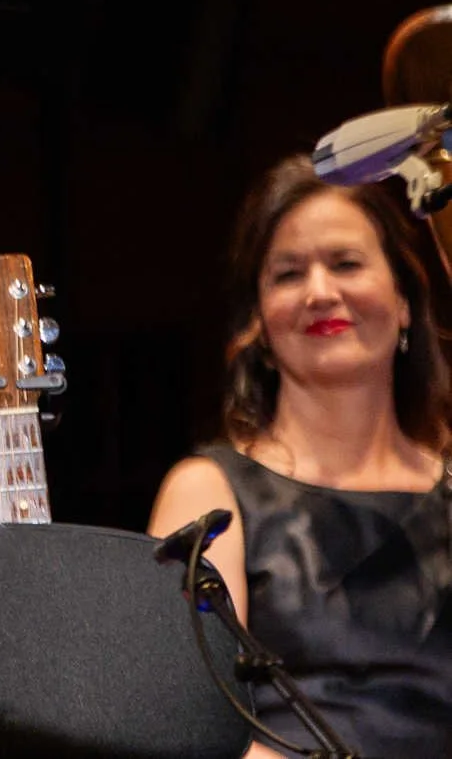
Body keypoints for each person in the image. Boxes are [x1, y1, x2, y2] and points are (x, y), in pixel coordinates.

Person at [149, 157, 452, 758]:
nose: (320, 292)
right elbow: (178, 726)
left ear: (403, 302)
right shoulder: (208, 493)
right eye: (288, 274)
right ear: (258, 323)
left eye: (346, 264)